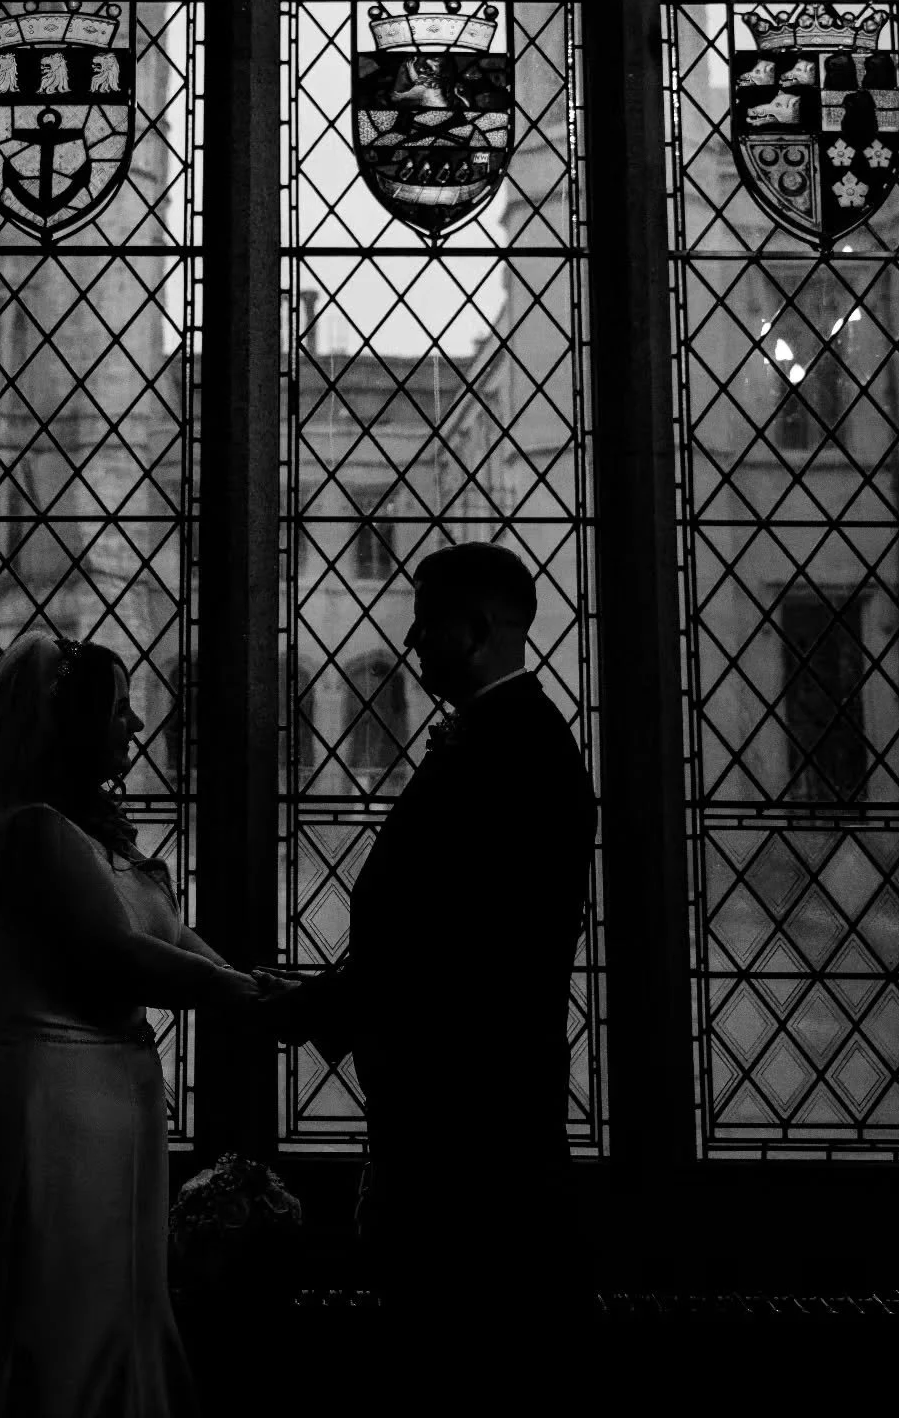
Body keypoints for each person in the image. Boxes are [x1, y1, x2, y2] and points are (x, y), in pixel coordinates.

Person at [0, 632, 260, 1418]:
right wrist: (255, 999)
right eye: (116, 709)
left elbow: (171, 940)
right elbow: (122, 958)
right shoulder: (33, 831)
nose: (137, 724)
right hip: (49, 1117)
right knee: (48, 1329)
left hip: (107, 1114)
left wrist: (262, 984)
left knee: (109, 1317)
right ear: (68, 726)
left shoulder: (90, 840)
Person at [258, 542, 597, 1396]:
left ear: (479, 628)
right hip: (460, 1130)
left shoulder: (514, 755)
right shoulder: (501, 739)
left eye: (427, 618)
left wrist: (311, 1006)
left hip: (472, 1148)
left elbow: (454, 958)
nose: (408, 636)